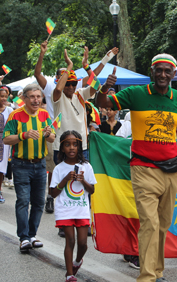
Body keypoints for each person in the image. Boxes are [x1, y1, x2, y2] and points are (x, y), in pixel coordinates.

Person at [96, 54, 177, 282]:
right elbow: (103, 102)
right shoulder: (135, 93)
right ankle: (145, 280)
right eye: (159, 71)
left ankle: (157, 272)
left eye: (167, 71)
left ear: (173, 74)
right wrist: (105, 87)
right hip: (143, 168)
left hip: (172, 170)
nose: (163, 75)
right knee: (150, 224)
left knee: (163, 225)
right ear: (152, 72)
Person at [33, 41, 117, 216]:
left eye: (73, 84)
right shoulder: (56, 97)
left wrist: (88, 65)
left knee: (82, 180)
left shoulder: (80, 94)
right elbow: (58, 87)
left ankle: (82, 215)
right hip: (60, 146)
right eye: (68, 84)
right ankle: (64, 215)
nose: (70, 87)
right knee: (64, 180)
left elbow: (95, 85)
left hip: (82, 145)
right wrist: (70, 66)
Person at [3, 83, 55, 252]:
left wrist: (49, 133)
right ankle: (24, 237)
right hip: (21, 164)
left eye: (38, 97)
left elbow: (52, 137)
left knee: (39, 202)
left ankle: (32, 235)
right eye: (32, 97)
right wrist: (23, 135)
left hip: (40, 165)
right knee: (23, 201)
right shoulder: (15, 115)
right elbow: (6, 139)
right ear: (24, 98)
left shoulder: (45, 114)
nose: (36, 100)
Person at [49, 130, 96, 282]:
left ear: (79, 147)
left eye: (75, 144)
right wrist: (64, 180)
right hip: (65, 210)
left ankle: (76, 262)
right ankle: (69, 276)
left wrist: (83, 181)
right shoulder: (59, 168)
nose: (71, 148)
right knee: (70, 240)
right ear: (62, 148)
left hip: (81, 209)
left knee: (83, 243)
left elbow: (92, 190)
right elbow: (53, 193)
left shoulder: (86, 166)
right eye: (67, 145)